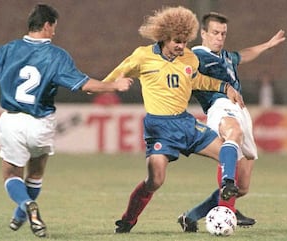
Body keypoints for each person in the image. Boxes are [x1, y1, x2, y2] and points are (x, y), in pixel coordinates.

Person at [0, 4, 133, 238]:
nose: (54, 32)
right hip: (41, 123)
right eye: (54, 27)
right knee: (35, 175)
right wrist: (114, 85)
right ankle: (21, 213)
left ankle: (25, 206)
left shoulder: (6, 50)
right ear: (47, 25)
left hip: (12, 121)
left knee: (11, 175)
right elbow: (84, 84)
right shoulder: (57, 56)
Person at [102, 6, 244, 233]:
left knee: (229, 154)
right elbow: (109, 80)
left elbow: (197, 80)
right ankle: (128, 219)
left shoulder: (188, 57)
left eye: (185, 41)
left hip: (186, 124)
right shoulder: (142, 56)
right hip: (159, 128)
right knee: (155, 180)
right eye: (177, 41)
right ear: (164, 37)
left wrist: (223, 86)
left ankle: (226, 199)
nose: (181, 46)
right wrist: (111, 85)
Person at [177, 12, 286, 231]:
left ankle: (191, 216)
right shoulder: (195, 55)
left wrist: (268, 45)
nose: (219, 37)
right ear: (204, 33)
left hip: (242, 111)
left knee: (242, 187)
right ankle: (227, 191)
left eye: (223, 33)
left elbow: (243, 55)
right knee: (232, 133)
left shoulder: (226, 56)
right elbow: (179, 68)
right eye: (215, 33)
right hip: (219, 106)